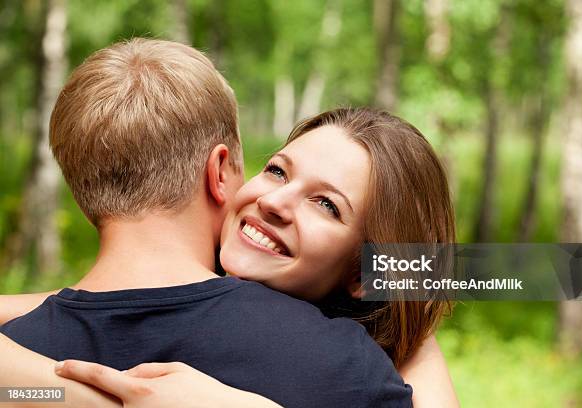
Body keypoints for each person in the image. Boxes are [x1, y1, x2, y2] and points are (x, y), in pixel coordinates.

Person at [0, 39, 414, 408]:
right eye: (276, 171)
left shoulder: (20, 359)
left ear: (79, 189)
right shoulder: (345, 368)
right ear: (219, 171)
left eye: (326, 204)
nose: (273, 202)